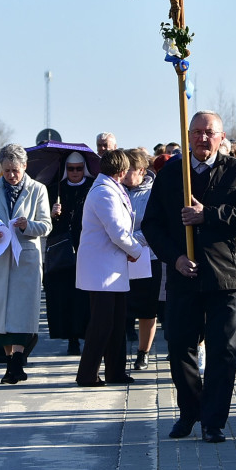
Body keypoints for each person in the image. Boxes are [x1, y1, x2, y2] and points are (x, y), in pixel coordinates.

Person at [142, 110, 236, 444]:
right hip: (184, 274)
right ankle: (190, 410)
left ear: (221, 137)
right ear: (188, 136)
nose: (202, 138)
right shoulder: (171, 174)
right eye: (196, 131)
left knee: (224, 350)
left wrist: (207, 215)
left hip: (227, 276)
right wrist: (175, 258)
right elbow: (152, 224)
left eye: (210, 132)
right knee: (179, 346)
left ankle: (213, 421)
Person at [0, 143, 52, 384]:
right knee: (0, 311)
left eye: (15, 170)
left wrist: (27, 225)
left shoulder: (38, 189)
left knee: (21, 310)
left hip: (25, 258)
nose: (10, 175)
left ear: (25, 166)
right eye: (6, 170)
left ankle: (18, 360)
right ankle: (10, 363)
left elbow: (46, 225)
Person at [74, 149, 144, 386]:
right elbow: (117, 232)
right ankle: (87, 374)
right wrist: (136, 251)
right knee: (101, 325)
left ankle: (116, 371)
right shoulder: (104, 192)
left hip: (111, 267)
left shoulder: (112, 189)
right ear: (122, 171)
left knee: (115, 324)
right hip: (101, 269)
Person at [44, 152, 94, 355]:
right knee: (64, 295)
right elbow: (42, 221)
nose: (75, 172)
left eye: (79, 168)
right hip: (62, 250)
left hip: (86, 248)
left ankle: (88, 336)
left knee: (85, 296)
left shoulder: (93, 188)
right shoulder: (54, 189)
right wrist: (51, 214)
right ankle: (71, 339)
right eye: (71, 169)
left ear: (84, 168)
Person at [124, 149, 161, 371]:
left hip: (148, 257)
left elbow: (155, 228)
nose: (123, 174)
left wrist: (126, 239)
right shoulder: (116, 191)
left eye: (128, 170)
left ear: (141, 171)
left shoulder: (154, 194)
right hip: (120, 257)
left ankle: (143, 352)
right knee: (122, 307)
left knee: (147, 310)